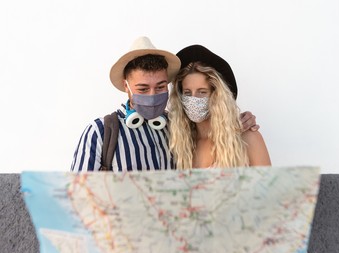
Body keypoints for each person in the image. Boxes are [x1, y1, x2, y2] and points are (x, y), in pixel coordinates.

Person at [71, 37, 259, 172]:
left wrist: (237, 123)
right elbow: (76, 201)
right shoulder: (101, 133)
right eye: (143, 89)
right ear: (126, 87)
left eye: (160, 87)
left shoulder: (177, 129)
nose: (152, 96)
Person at [168, 45, 271, 169]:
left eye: (202, 92)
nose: (194, 98)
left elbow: (269, 186)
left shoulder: (246, 137)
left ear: (216, 95)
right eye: (188, 93)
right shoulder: (180, 143)